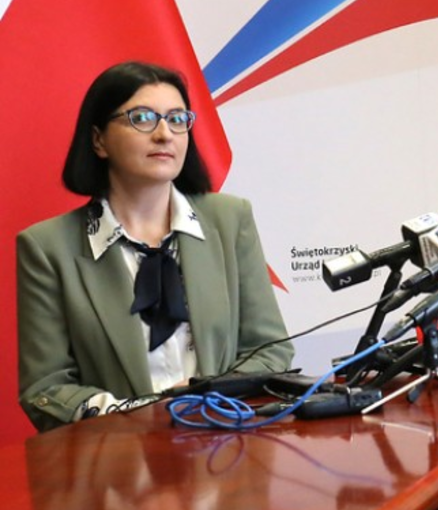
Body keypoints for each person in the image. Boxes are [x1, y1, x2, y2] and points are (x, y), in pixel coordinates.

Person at [17, 61, 293, 431]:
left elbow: (271, 349)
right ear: (99, 140)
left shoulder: (230, 219)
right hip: (118, 454)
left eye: (177, 119)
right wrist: (147, 414)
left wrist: (206, 400)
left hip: (226, 443)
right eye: (142, 118)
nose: (164, 134)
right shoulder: (47, 247)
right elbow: (46, 388)